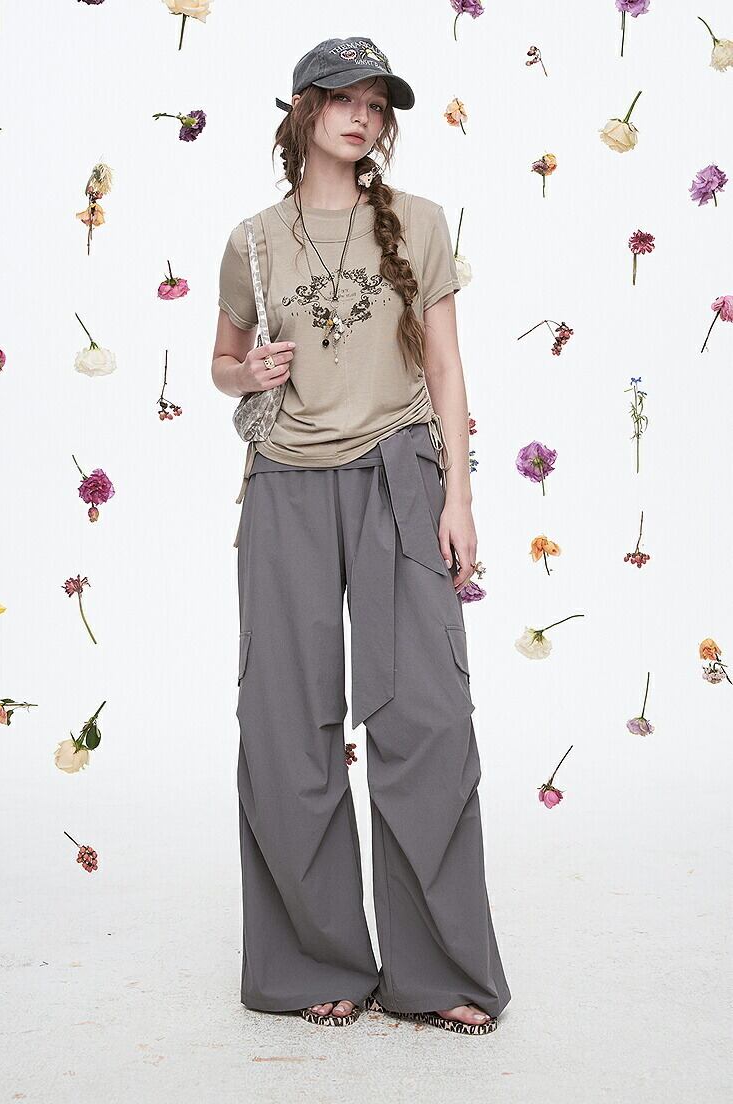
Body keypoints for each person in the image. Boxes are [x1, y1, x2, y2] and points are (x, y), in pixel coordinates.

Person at [212, 36, 511, 1036]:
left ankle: (438, 973)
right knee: (287, 723)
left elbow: (448, 368)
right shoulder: (253, 239)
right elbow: (222, 360)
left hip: (398, 476)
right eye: (345, 99)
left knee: (427, 720)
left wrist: (459, 496)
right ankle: (316, 962)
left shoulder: (418, 222)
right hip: (286, 488)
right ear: (303, 110)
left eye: (378, 105)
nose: (364, 117)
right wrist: (247, 372)